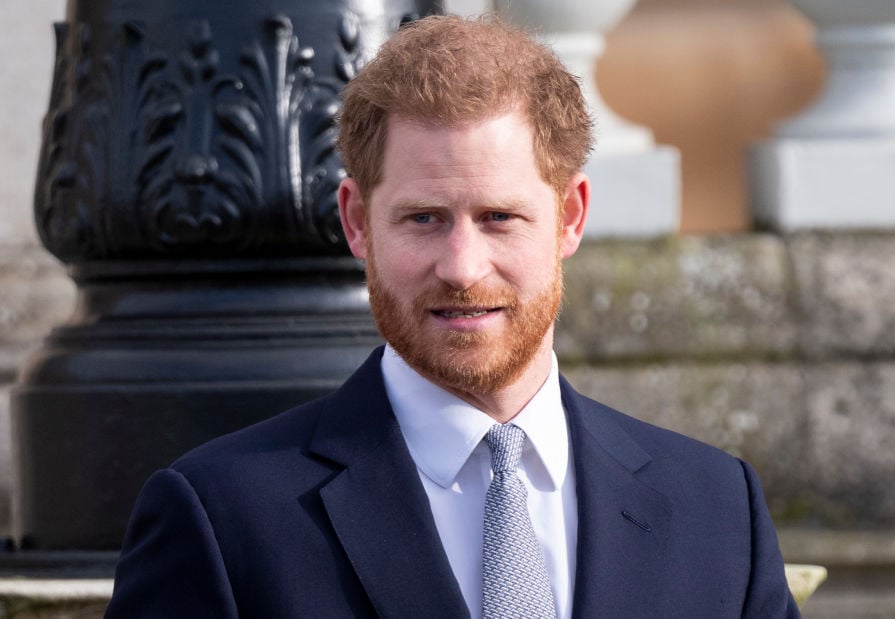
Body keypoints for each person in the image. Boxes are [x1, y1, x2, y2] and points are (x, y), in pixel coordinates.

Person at [106, 14, 799, 618]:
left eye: (499, 217)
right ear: (357, 221)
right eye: (424, 218)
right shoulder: (222, 518)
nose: (462, 268)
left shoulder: (717, 509)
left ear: (570, 216)